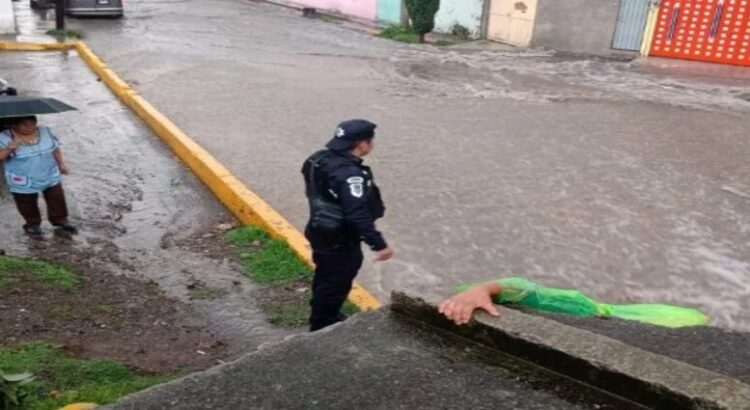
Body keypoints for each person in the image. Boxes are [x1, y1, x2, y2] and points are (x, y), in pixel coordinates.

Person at [302, 119, 394, 331]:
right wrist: (379, 244)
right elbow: (357, 213)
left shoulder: (317, 159)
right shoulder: (351, 174)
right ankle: (322, 325)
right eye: (371, 142)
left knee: (325, 274)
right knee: (337, 281)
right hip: (340, 238)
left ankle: (323, 311)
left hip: (318, 229)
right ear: (363, 144)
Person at [0, 116, 77, 237]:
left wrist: (61, 164)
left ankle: (59, 220)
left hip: (49, 173)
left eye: (32, 123)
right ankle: (32, 225)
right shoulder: (4, 137)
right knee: (26, 202)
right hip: (23, 178)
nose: (30, 127)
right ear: (15, 125)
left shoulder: (45, 131)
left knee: (57, 197)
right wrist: (10, 147)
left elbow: (55, 148)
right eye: (25, 124)